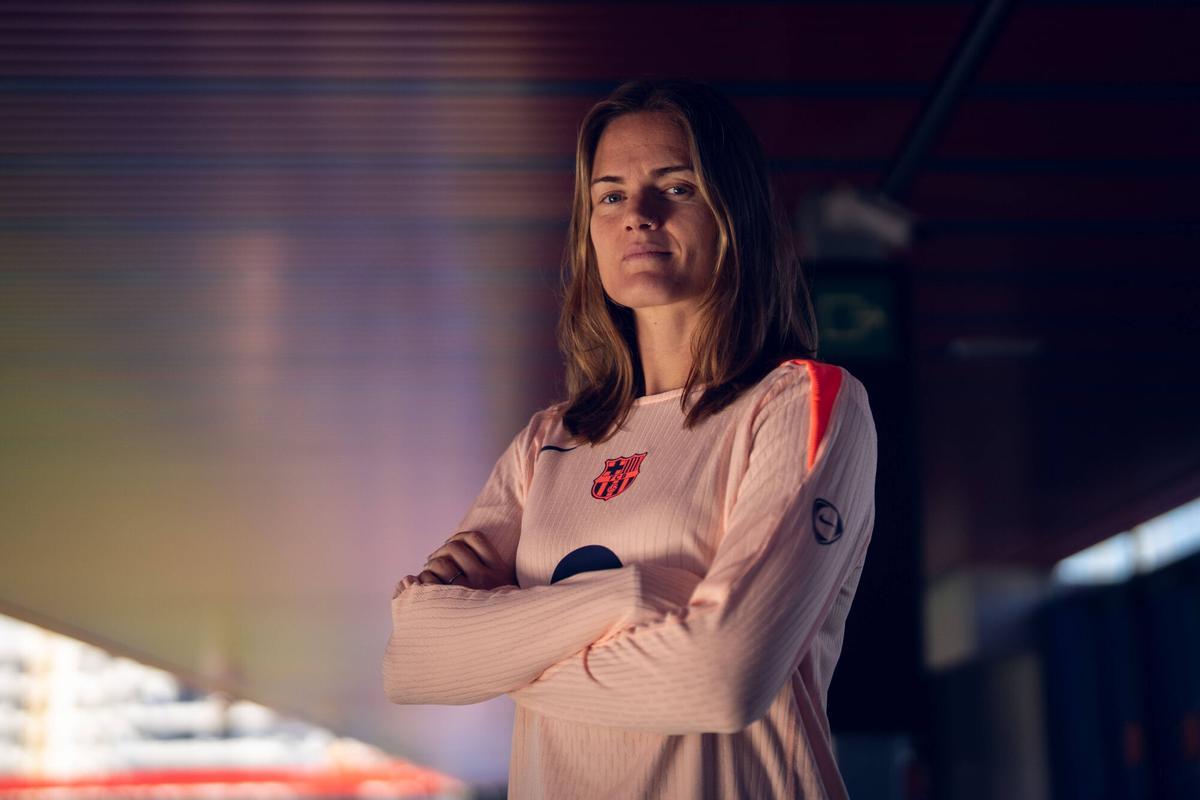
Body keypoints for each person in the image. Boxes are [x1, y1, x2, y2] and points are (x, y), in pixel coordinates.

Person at [383, 77, 878, 800]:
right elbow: (414, 663)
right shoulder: (547, 443)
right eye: (610, 195)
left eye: (674, 188)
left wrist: (502, 659)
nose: (637, 216)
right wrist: (629, 596)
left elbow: (720, 678)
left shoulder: (799, 403)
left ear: (731, 212)